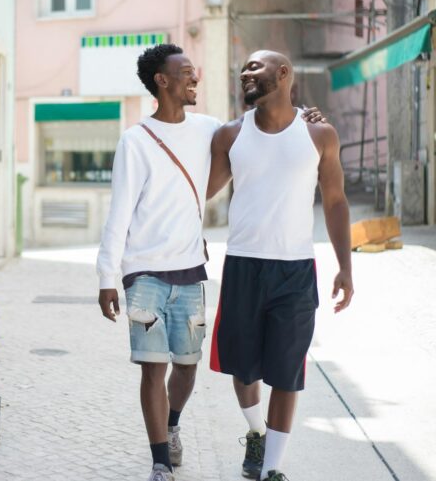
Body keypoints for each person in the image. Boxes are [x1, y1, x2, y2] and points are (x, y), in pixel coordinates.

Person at [96, 44, 324, 481]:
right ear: (162, 81)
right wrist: (108, 275)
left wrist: (305, 116)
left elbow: (263, 127)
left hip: (189, 270)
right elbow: (119, 213)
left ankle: (174, 425)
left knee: (186, 366)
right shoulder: (134, 140)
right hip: (142, 271)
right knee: (152, 366)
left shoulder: (210, 130)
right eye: (186, 72)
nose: (195, 77)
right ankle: (161, 461)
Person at [207, 50, 354, 481]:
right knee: (243, 368)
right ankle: (256, 433)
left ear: (284, 73)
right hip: (243, 267)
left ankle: (273, 469)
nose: (245, 73)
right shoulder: (230, 136)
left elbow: (335, 201)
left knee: (287, 372)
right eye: (243, 69)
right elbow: (200, 191)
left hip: (294, 270)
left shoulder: (320, 135)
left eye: (255, 66)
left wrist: (346, 267)